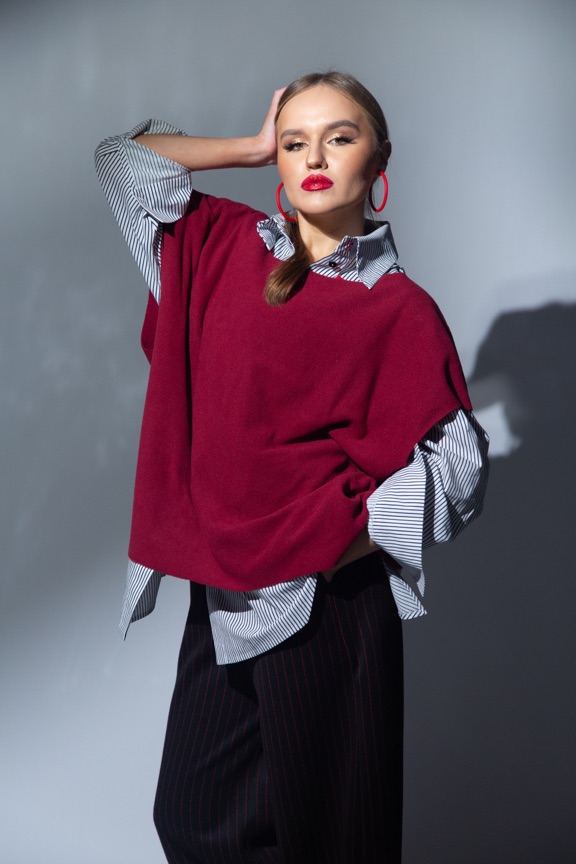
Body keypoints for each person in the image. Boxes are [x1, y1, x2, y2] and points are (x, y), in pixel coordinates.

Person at [95, 70, 489, 864]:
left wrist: (341, 543)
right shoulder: (218, 246)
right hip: (225, 588)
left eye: (339, 138)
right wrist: (248, 144)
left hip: (327, 606)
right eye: (294, 141)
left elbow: (459, 464)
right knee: (195, 820)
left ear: (379, 161)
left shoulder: (397, 308)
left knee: (334, 840)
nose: (313, 157)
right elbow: (121, 160)